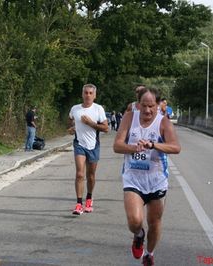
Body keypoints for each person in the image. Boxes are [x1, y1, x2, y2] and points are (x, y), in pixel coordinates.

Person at [113, 87, 181, 265]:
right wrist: (133, 147)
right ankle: (138, 234)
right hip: (133, 178)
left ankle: (149, 253)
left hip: (156, 180)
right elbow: (117, 145)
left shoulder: (164, 122)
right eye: (144, 105)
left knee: (154, 221)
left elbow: (175, 147)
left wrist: (153, 145)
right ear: (138, 104)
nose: (147, 110)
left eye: (151, 106)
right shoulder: (129, 117)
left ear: (158, 105)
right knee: (135, 220)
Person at [68, 84, 109, 215]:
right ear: (82, 94)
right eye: (86, 93)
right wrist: (71, 128)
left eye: (91, 93)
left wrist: (90, 123)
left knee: (90, 176)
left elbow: (106, 128)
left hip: (93, 145)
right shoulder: (75, 108)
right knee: (79, 174)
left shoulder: (98, 109)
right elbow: (70, 120)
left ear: (94, 95)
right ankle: (79, 203)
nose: (88, 95)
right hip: (79, 144)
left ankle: (89, 198)